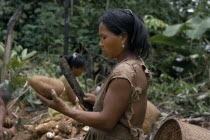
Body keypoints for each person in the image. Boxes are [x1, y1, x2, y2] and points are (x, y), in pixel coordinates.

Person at [36, 8, 150, 140]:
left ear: (123, 37)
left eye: (104, 37)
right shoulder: (136, 65)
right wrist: (99, 102)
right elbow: (125, 108)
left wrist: (66, 110)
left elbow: (106, 121)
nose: (100, 44)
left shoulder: (123, 73)